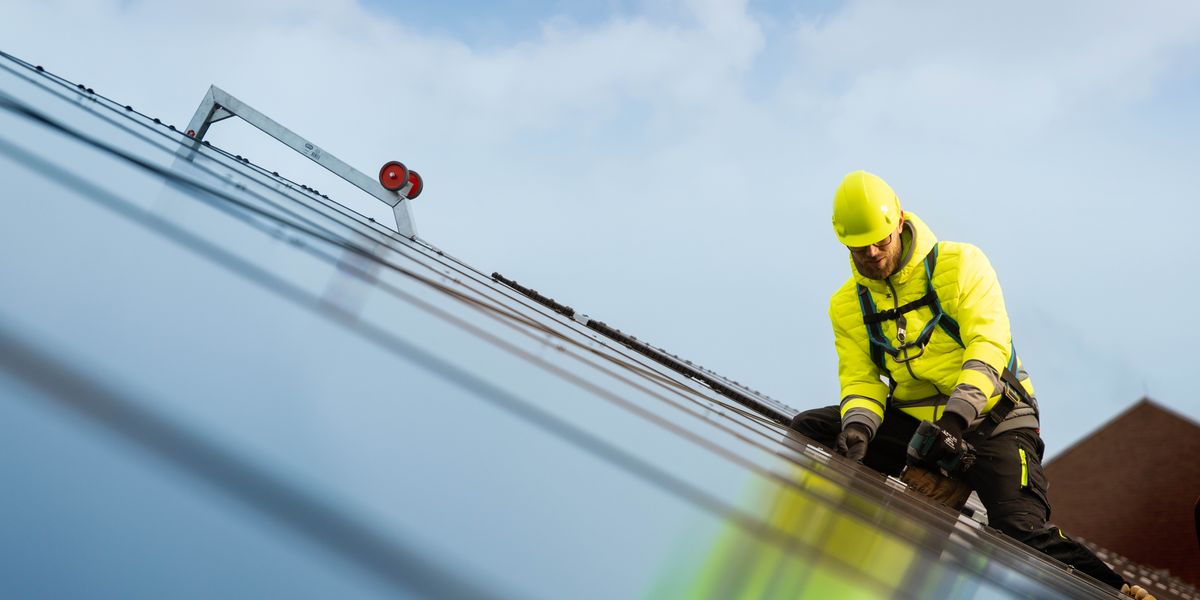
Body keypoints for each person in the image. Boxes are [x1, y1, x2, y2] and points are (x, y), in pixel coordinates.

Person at [790, 170, 1152, 599]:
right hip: (917, 430)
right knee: (812, 429)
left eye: (880, 241)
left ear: (899, 222)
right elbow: (861, 380)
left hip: (991, 420)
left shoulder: (961, 265)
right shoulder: (847, 305)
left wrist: (955, 424)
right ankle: (841, 557)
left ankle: (1121, 591)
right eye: (859, 245)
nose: (871, 253)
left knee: (1019, 529)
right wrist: (858, 428)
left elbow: (988, 348)